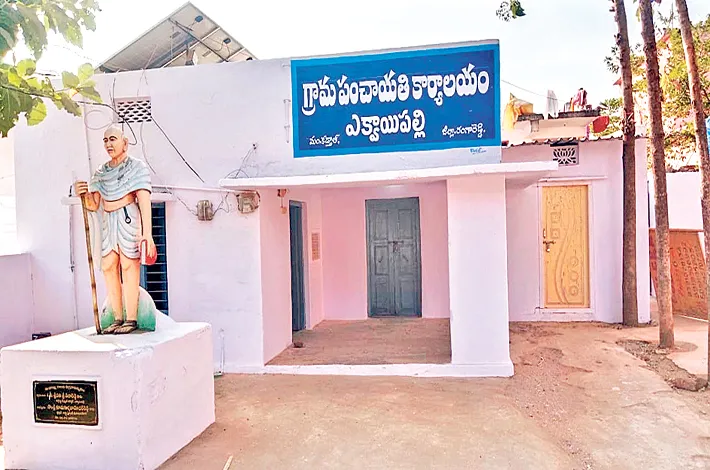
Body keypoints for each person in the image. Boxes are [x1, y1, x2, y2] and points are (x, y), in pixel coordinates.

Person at [74, 125, 156, 334]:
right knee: (109, 265)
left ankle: (131, 318)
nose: (108, 144)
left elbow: (144, 201)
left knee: (129, 266)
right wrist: (82, 194)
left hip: (128, 218)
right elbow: (93, 205)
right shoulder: (101, 173)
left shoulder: (137, 168)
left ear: (124, 143)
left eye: (112, 139)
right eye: (105, 140)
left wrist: (147, 234)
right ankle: (117, 317)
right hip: (108, 221)